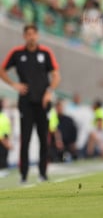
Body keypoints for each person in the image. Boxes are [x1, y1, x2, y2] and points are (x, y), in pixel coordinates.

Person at [0, 24, 60, 183]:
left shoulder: (45, 53)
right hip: (26, 102)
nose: (31, 36)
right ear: (24, 36)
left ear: (37, 35)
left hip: (42, 102)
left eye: (34, 34)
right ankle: (24, 174)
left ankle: (43, 173)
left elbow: (55, 75)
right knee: (25, 139)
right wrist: (14, 85)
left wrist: (49, 92)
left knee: (43, 139)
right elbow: (2, 70)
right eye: (28, 34)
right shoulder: (17, 53)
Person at [0, 98, 12, 177]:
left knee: (5, 154)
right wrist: (4, 142)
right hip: (1, 139)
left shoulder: (3, 115)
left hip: (5, 137)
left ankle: (3, 169)